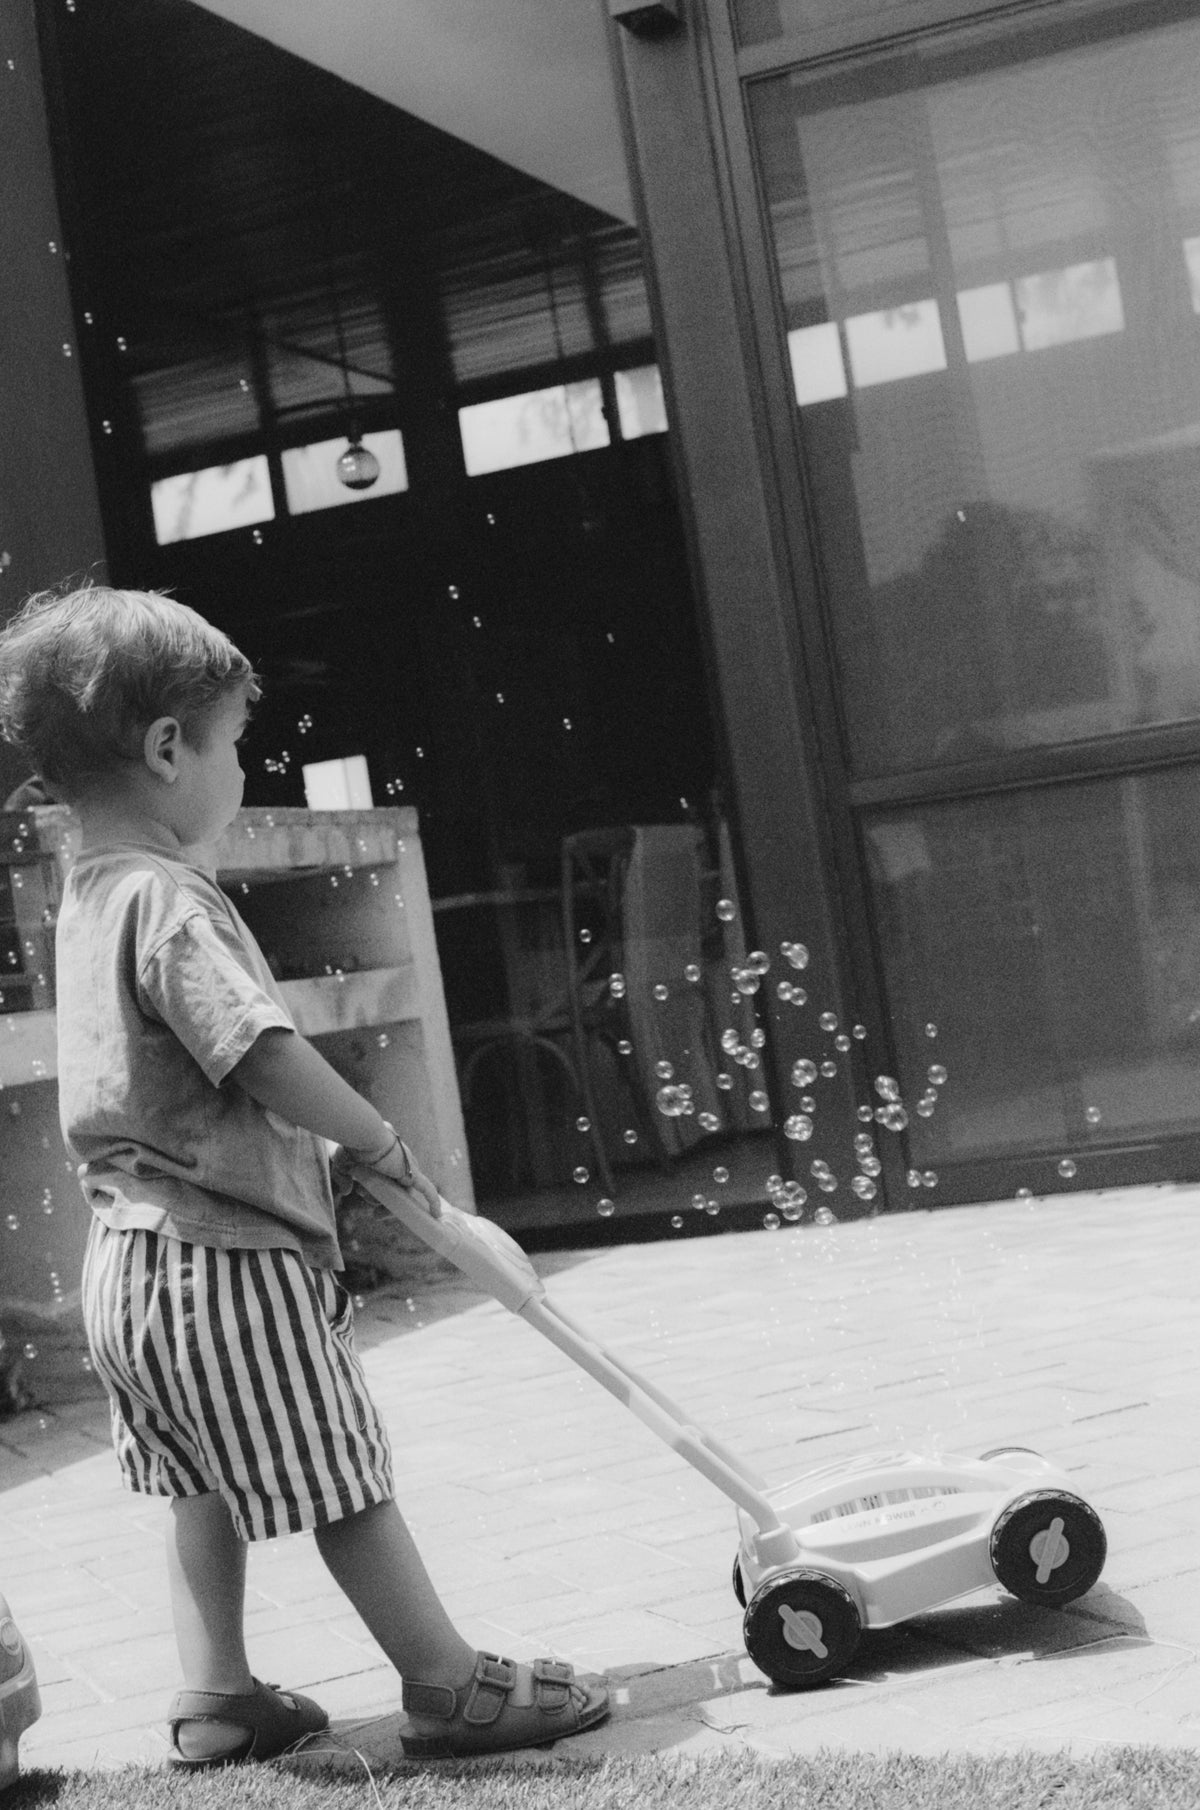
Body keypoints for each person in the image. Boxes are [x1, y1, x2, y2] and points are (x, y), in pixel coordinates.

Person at [0, 584, 608, 1768]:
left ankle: (217, 1694)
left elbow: (171, 1080)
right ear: (167, 749)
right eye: (235, 744)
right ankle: (447, 1683)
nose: (242, 770)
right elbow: (258, 1051)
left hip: (129, 1266)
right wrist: (376, 1142)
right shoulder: (171, 901)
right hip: (223, 1261)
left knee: (201, 1482)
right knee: (342, 1472)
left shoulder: (89, 894)